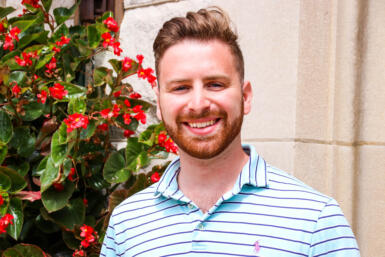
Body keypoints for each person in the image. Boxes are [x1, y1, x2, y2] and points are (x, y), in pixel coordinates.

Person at [100, 7, 360, 257]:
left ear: (245, 97)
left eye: (215, 84)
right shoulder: (126, 225)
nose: (199, 104)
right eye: (180, 87)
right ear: (159, 103)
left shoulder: (316, 220)